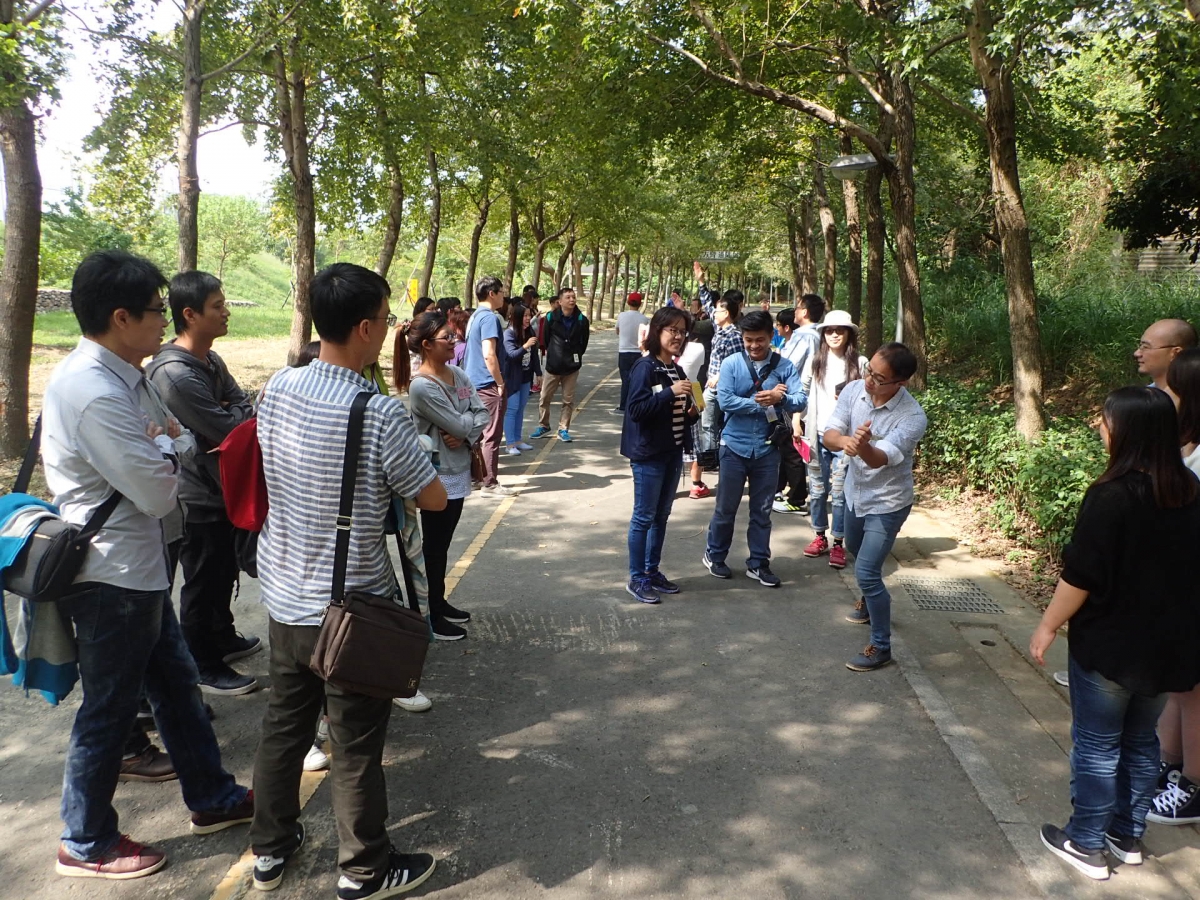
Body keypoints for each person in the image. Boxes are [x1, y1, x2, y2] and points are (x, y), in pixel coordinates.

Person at [44, 250, 252, 880]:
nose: (165, 320)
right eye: (157, 310)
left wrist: (164, 444)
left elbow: (177, 441)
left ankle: (212, 796)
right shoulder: (93, 392)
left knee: (176, 688)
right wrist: (166, 447)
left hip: (140, 571)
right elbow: (162, 490)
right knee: (109, 710)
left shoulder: (126, 375)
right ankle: (84, 841)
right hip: (110, 577)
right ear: (120, 317)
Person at [250, 262, 447, 897]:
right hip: (349, 611)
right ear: (365, 328)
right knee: (355, 742)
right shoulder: (379, 413)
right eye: (387, 318)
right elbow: (432, 497)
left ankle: (269, 850)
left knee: (285, 729)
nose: (390, 327)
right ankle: (364, 870)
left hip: (284, 596)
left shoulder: (278, 387)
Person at [1030, 386, 1200, 880]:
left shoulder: (1112, 495)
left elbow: (1080, 576)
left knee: (1098, 745)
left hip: (1110, 646)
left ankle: (1085, 841)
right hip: (1167, 647)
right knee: (1142, 740)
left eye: (1105, 420)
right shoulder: (1191, 491)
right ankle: (1126, 835)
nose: (1098, 427)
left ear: (1127, 431)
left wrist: (1047, 625)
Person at [145, 270, 260, 695]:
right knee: (202, 579)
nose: (226, 312)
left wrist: (235, 411)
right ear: (189, 315)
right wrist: (234, 412)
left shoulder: (210, 361)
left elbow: (242, 407)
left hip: (222, 486)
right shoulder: (174, 375)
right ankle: (202, 663)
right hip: (197, 496)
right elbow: (231, 428)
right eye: (217, 306)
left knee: (222, 569)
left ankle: (221, 636)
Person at [823, 341, 926, 672]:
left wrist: (863, 445)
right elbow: (830, 434)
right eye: (870, 371)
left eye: (879, 378)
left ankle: (881, 646)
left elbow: (881, 459)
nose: (870, 380)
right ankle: (868, 602)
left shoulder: (912, 416)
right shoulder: (854, 390)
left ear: (901, 382)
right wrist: (847, 441)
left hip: (888, 502)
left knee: (867, 572)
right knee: (854, 548)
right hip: (855, 493)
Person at [399, 310, 490, 641]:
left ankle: (437, 601)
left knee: (444, 542)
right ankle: (430, 613)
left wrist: (465, 432)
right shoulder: (422, 387)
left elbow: (482, 413)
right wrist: (465, 427)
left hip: (459, 469)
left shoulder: (457, 373)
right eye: (446, 337)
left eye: (453, 335)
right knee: (434, 547)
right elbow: (458, 422)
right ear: (426, 345)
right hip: (437, 476)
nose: (454, 341)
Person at [702, 310, 806, 588]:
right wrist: (766, 402)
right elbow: (725, 401)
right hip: (733, 448)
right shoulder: (731, 364)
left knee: (762, 511)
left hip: (768, 449)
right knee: (725, 509)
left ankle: (758, 563)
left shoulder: (785, 366)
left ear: (771, 337)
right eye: (748, 340)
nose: (754, 345)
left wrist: (780, 399)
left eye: (760, 339)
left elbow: (800, 399)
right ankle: (715, 555)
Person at [1148, 348, 1200, 825]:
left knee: (1195, 689)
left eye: (1174, 388)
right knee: (1179, 684)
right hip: (1178, 586)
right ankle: (1168, 764)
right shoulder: (1184, 444)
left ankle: (1193, 786)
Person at [622, 307, 698, 603]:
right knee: (643, 517)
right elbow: (636, 410)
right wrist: (669, 393)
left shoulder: (676, 370)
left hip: (672, 452)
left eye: (682, 332)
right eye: (673, 330)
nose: (678, 336)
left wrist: (692, 411)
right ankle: (637, 577)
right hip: (649, 454)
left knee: (661, 516)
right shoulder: (645, 367)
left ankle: (652, 571)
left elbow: (678, 413)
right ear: (657, 331)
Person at [801, 310, 868, 569]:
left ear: (849, 333)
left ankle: (838, 542)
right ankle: (819, 536)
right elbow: (802, 392)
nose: (835, 335)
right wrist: (796, 421)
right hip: (816, 435)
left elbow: (871, 397)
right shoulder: (815, 361)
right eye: (829, 330)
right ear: (823, 334)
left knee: (839, 493)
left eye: (840, 330)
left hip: (844, 440)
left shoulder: (860, 363)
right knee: (817, 491)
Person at [773, 298, 825, 516]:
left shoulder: (803, 336)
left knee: (792, 448)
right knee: (792, 445)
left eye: (797, 307)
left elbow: (788, 367)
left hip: (796, 399)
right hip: (811, 399)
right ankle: (786, 492)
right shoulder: (820, 335)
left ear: (804, 312)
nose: (795, 311)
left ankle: (796, 499)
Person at [462, 275, 511, 496]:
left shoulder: (474, 316)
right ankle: (489, 482)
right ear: (492, 294)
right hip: (487, 383)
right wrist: (500, 383)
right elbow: (489, 354)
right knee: (491, 434)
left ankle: (476, 477)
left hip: (471, 383)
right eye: (501, 292)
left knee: (477, 434)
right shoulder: (490, 318)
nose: (503, 297)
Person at [532, 287, 590, 443]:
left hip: (571, 367)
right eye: (568, 297)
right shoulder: (551, 317)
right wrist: (553, 354)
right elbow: (546, 339)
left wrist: (576, 355)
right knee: (544, 398)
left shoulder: (582, 320)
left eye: (573, 297)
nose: (572, 300)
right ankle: (544, 425)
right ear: (560, 301)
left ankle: (563, 429)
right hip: (553, 366)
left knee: (568, 400)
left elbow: (583, 342)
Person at [700, 289, 744, 456]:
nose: (714, 314)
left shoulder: (734, 336)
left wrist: (718, 376)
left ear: (726, 313)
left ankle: (717, 458)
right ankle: (711, 458)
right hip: (712, 388)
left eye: (718, 311)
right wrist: (701, 283)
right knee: (708, 425)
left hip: (722, 388)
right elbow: (708, 306)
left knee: (717, 426)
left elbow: (737, 363)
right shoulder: (720, 330)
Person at [502, 303, 542, 455]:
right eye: (525, 315)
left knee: (520, 408)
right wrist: (525, 346)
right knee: (512, 409)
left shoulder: (529, 331)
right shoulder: (509, 334)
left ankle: (518, 440)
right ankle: (510, 444)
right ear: (517, 317)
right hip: (512, 378)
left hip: (526, 377)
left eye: (529, 315)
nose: (528, 318)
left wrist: (538, 373)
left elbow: (534, 355)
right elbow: (511, 355)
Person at [677, 318, 710, 499]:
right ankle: (696, 485)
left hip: (671, 394)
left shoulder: (663, 348)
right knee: (696, 443)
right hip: (694, 391)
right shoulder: (698, 348)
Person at [1135, 318, 1198, 398]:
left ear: (1176, 353)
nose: (1137, 353)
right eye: (1140, 346)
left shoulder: (1192, 399)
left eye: (1146, 347)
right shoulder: (1142, 398)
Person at [615, 292, 649, 414]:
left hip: (624, 352)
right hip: (638, 353)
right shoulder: (644, 319)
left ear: (628, 302)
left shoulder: (621, 316)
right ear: (640, 304)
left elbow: (617, 331)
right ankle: (635, 404)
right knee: (637, 380)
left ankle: (623, 406)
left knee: (625, 380)